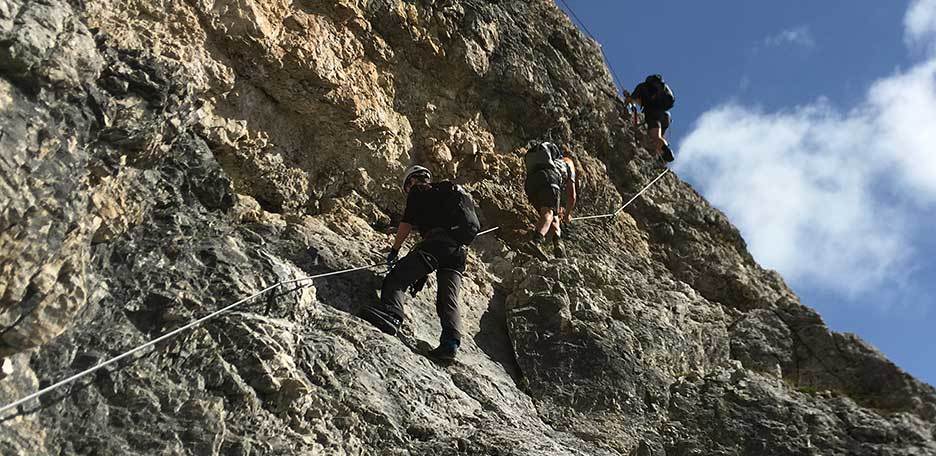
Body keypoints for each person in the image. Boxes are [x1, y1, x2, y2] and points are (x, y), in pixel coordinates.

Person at [360, 165, 479, 361]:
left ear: (412, 181)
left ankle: (392, 314)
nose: (408, 191)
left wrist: (395, 250)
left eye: (407, 187)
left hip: (437, 244)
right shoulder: (446, 195)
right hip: (459, 253)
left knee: (397, 277)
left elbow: (406, 223)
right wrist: (422, 271)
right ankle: (450, 344)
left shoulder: (419, 190)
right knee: (448, 298)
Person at [523, 142, 577, 259]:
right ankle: (536, 242)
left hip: (531, 181)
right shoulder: (568, 163)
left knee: (553, 213)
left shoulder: (547, 161)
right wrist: (567, 215)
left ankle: (558, 245)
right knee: (549, 213)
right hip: (549, 178)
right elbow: (572, 196)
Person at [625, 74, 676, 162]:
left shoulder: (641, 87)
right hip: (665, 116)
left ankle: (667, 154)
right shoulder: (663, 90)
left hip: (653, 114)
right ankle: (661, 157)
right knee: (659, 138)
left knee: (656, 137)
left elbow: (632, 100)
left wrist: (628, 97)